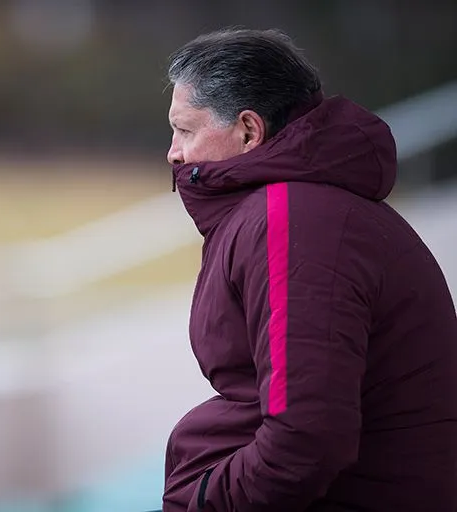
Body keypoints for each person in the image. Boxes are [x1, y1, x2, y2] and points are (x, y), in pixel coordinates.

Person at [161, 28, 457, 511]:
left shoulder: (294, 220)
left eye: (185, 130)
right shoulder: (298, 209)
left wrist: (206, 501)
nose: (173, 152)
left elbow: (306, 437)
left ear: (249, 130)